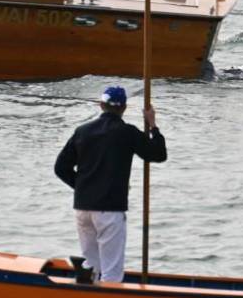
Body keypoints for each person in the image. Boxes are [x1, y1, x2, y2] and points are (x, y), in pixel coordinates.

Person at [54, 86, 167, 283]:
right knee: (111, 272)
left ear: (101, 105)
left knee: (92, 268)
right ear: (123, 108)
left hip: (83, 208)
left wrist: (83, 188)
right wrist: (153, 125)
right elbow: (158, 154)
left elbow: (60, 168)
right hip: (109, 210)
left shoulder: (82, 131)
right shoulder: (127, 133)